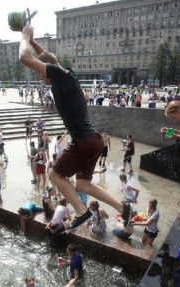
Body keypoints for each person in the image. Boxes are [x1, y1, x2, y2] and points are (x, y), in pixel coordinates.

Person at [19, 22, 132, 230]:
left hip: (83, 141)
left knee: (54, 175)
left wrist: (25, 37)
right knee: (82, 184)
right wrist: (33, 39)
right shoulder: (67, 75)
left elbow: (25, 58)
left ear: (48, 72)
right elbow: (48, 57)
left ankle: (82, 211)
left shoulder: (59, 76)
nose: (40, 76)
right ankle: (121, 207)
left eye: (40, 73)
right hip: (94, 140)